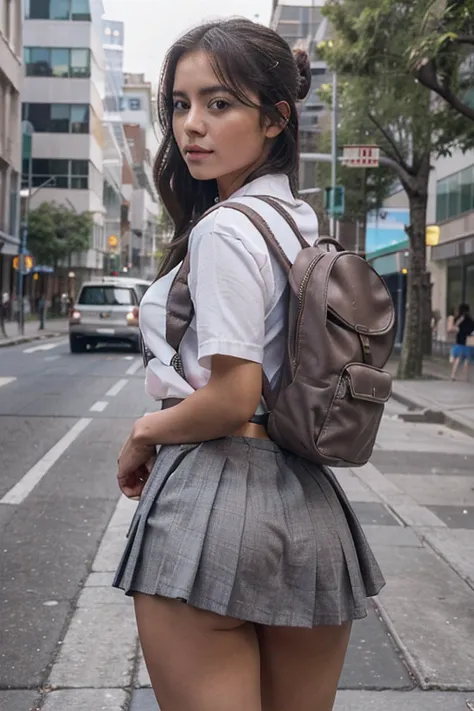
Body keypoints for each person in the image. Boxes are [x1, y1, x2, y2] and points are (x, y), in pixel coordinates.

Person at [113, 18, 385, 711]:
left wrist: (145, 430)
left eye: (220, 103)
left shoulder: (225, 229)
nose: (191, 126)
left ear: (275, 119)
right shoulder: (300, 222)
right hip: (311, 506)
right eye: (180, 103)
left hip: (213, 498)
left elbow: (234, 395)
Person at [449, 303, 474, 381]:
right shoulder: (470, 320)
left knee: (458, 358)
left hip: (460, 339)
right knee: (467, 359)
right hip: (468, 340)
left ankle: (453, 375)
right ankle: (466, 377)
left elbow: (454, 327)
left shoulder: (458, 319)